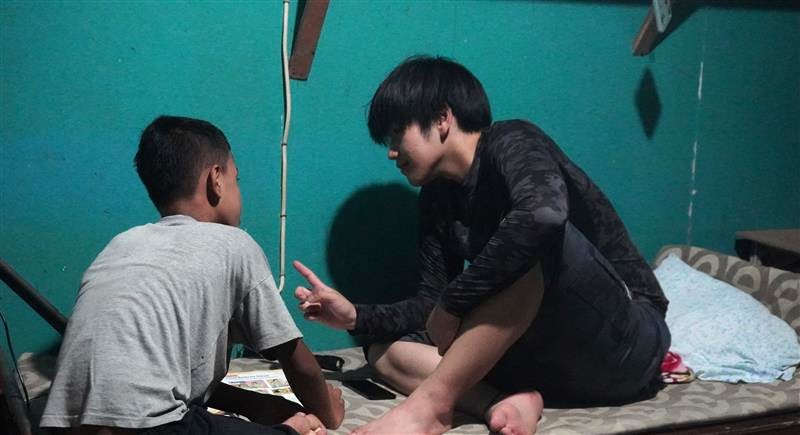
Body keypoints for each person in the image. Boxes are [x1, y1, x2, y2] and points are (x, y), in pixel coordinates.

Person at [293, 56, 671, 435]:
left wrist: (454, 301)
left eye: (396, 134)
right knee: (385, 354)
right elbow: (431, 306)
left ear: (442, 118)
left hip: (624, 345)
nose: (392, 152)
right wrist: (355, 317)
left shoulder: (512, 140)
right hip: (544, 358)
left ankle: (431, 407)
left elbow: (544, 215)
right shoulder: (437, 195)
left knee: (532, 245)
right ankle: (501, 402)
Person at [40, 116, 344, 435]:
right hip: (156, 429)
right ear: (216, 179)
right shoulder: (235, 243)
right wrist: (329, 411)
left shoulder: (121, 244)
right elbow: (294, 358)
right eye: (237, 179)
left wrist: (257, 405)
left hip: (63, 427)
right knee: (303, 430)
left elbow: (164, 382)